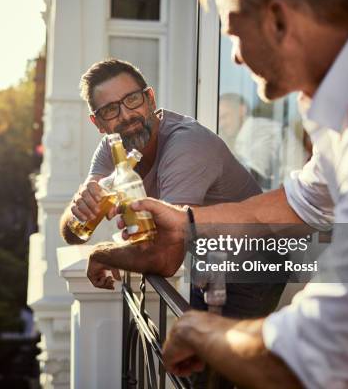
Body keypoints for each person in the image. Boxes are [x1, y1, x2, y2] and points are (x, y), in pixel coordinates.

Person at [105, 0, 348, 387]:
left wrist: (199, 331)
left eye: (233, 34)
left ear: (277, 19)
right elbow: (303, 203)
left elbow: (317, 353)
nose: (236, 58)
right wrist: (186, 221)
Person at [59, 58, 285, 319]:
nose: (126, 115)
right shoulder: (113, 148)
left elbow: (166, 259)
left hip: (252, 269)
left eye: (132, 99)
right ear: (97, 123)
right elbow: (74, 233)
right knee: (194, 351)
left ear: (150, 99)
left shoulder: (186, 145)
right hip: (208, 266)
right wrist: (81, 204)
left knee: (220, 356)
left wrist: (105, 254)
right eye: (110, 110)